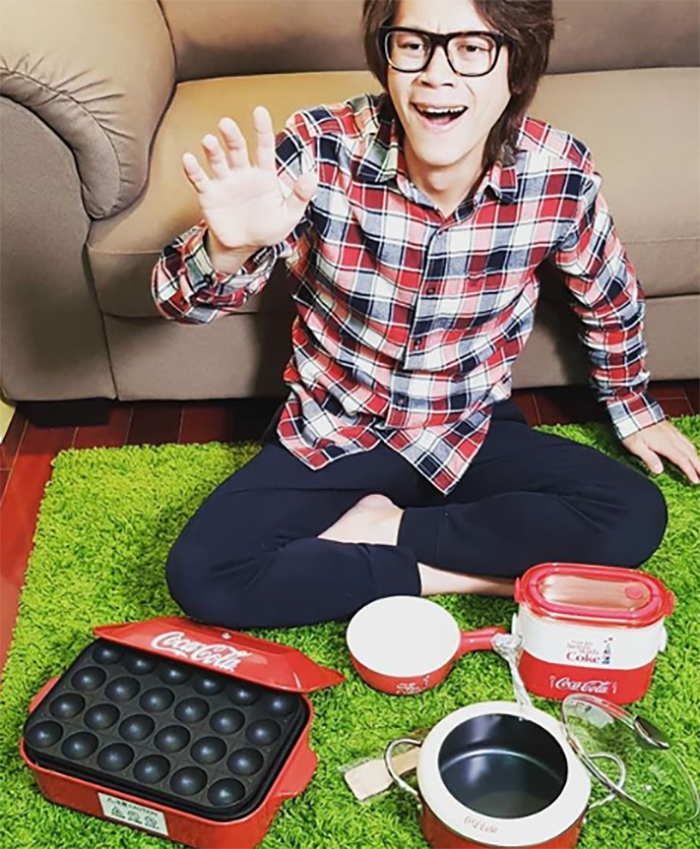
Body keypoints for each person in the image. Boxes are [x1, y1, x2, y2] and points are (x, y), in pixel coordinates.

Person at [152, 0, 700, 630]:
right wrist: (228, 250)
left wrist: (633, 406)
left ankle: (385, 530)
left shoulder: (559, 172)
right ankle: (460, 578)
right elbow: (176, 301)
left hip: (468, 427)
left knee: (633, 515)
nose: (437, 74)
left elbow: (608, 295)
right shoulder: (319, 147)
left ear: (518, 67)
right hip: (336, 430)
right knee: (205, 574)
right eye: (413, 44)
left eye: (472, 48)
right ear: (386, 58)